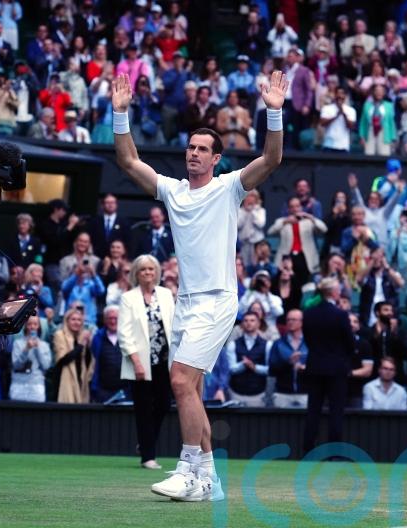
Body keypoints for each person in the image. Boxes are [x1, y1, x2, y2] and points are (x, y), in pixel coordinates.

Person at [112, 69, 286, 501]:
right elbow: (129, 161)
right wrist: (120, 115)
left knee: (178, 381)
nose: (193, 153)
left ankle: (189, 471)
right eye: (190, 147)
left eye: (203, 149)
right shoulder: (172, 191)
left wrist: (274, 114)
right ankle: (209, 480)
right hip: (186, 304)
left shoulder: (229, 187)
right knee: (192, 390)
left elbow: (271, 161)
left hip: (219, 301)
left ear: (216, 159)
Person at [118, 254, 174, 469]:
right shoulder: (128, 298)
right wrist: (137, 362)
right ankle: (148, 456)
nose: (148, 273)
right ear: (136, 274)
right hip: (140, 363)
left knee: (163, 405)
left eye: (151, 269)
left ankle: (145, 443)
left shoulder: (166, 294)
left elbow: (173, 325)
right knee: (143, 409)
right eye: (143, 270)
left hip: (164, 361)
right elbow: (124, 334)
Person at [301, 278, 355, 454]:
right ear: (332, 292)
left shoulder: (308, 314)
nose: (340, 292)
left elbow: (308, 340)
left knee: (313, 410)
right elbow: (350, 343)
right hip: (336, 369)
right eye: (338, 289)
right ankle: (334, 452)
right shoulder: (340, 315)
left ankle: (308, 450)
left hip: (315, 366)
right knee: (336, 411)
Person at [225, 311, 271, 406]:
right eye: (245, 320)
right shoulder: (232, 344)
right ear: (242, 324)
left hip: (258, 393)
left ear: (259, 324)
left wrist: (254, 367)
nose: (248, 323)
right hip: (236, 392)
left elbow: (270, 369)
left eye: (252, 320)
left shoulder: (267, 345)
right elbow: (230, 369)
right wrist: (243, 365)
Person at [53, 307, 95, 404]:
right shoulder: (60, 335)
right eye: (73, 319)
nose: (77, 322)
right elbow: (63, 360)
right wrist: (81, 344)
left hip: (81, 379)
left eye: (79, 320)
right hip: (64, 379)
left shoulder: (82, 336)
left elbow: (89, 361)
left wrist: (88, 346)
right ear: (67, 321)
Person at [91, 305, 130, 403]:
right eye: (110, 318)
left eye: (116, 318)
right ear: (104, 320)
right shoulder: (97, 338)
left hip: (126, 391)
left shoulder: (129, 337)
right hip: (103, 391)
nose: (113, 321)